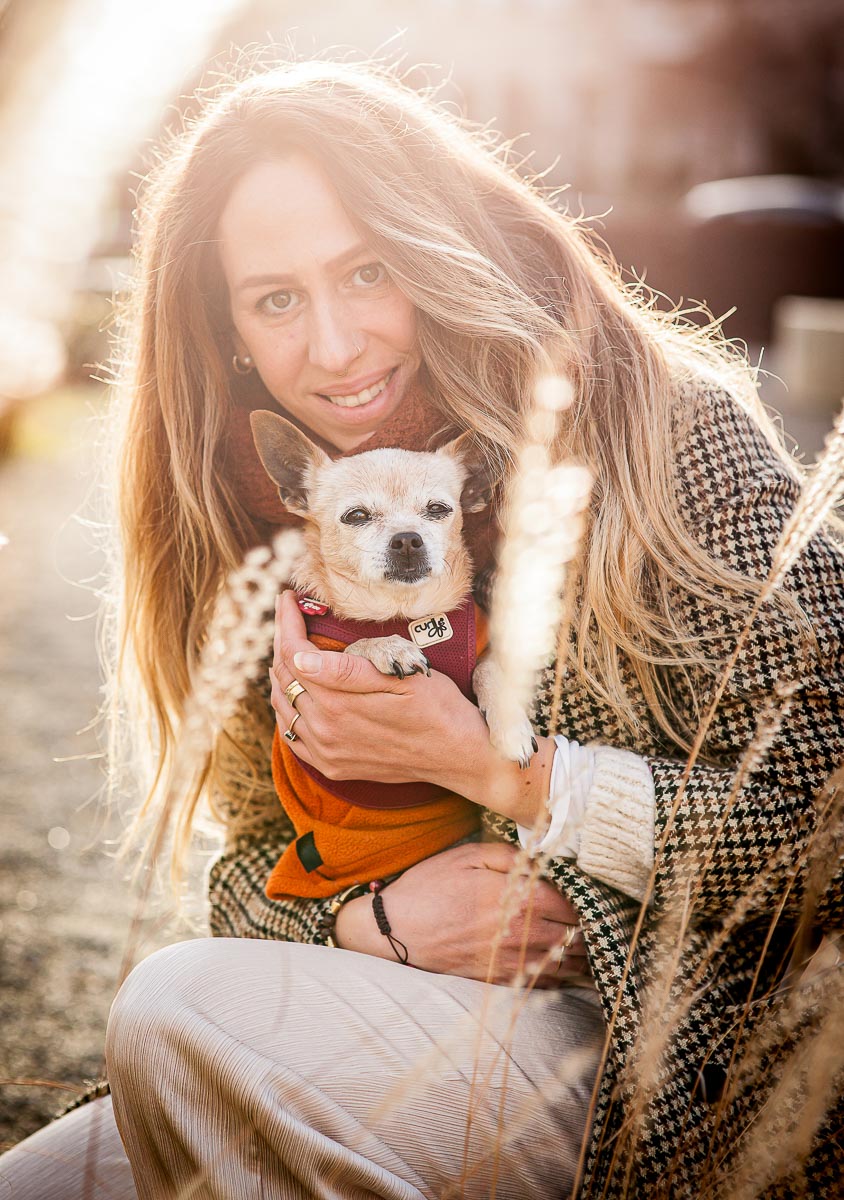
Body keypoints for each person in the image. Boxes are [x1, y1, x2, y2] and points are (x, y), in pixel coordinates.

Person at [1, 56, 842, 1200]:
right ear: (233, 333)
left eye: (369, 270)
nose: (337, 346)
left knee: (175, 1011)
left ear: (441, 252)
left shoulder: (672, 435)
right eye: (277, 298)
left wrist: (514, 775)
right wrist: (375, 924)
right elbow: (254, 875)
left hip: (676, 1064)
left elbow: (821, 831)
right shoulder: (269, 532)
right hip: (409, 1003)